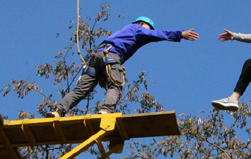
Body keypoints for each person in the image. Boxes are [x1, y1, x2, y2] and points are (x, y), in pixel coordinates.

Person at [47, 16, 199, 117]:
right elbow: (157, 34)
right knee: (115, 86)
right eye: (148, 27)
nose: (149, 31)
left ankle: (58, 111)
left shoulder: (124, 31)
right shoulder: (137, 29)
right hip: (111, 56)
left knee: (81, 90)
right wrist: (180, 34)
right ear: (141, 24)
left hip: (97, 56)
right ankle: (105, 111)